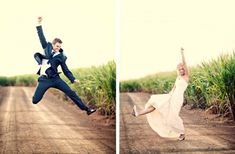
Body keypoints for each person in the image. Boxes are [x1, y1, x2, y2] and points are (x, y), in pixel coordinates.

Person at [33, 17, 96, 115]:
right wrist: (39, 23)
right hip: (44, 79)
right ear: (53, 45)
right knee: (35, 100)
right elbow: (41, 36)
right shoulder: (46, 47)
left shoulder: (61, 57)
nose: (58, 48)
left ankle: (87, 109)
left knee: (71, 92)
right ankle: (36, 94)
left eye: (60, 47)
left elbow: (65, 69)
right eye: (57, 46)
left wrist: (73, 79)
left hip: (55, 79)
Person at [132, 48, 189, 141]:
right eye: (180, 69)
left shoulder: (186, 76)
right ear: (178, 70)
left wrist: (182, 53)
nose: (181, 70)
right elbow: (174, 88)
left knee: (173, 116)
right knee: (156, 104)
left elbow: (185, 63)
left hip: (178, 99)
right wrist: (169, 95)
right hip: (171, 97)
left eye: (182, 68)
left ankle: (182, 133)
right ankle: (138, 113)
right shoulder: (178, 77)